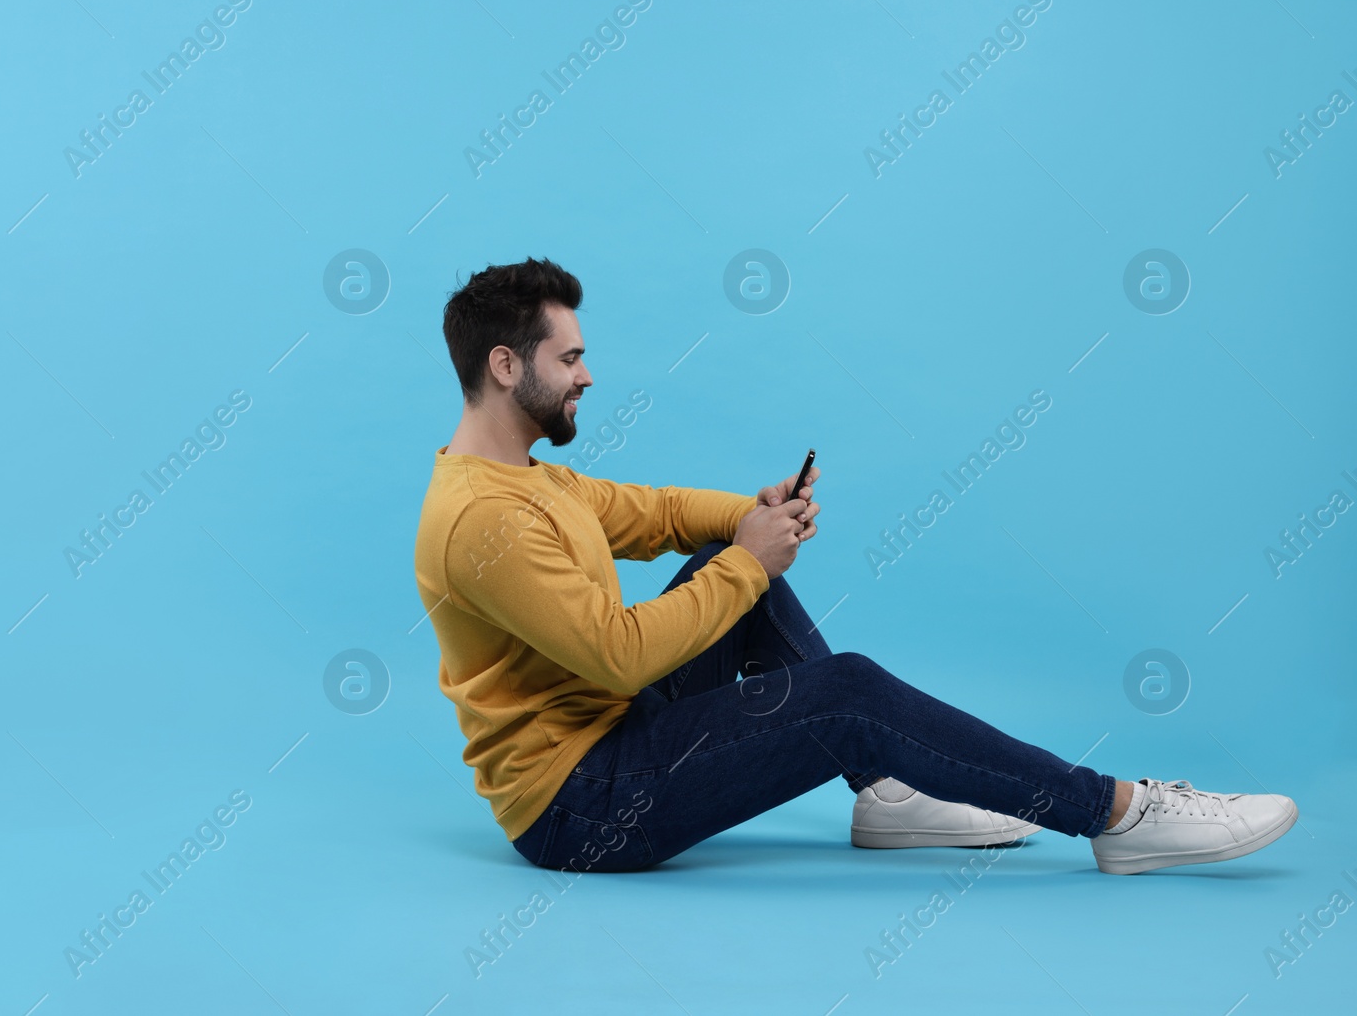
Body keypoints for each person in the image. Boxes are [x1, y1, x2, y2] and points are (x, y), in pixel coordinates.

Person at [412, 257, 1298, 876]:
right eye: (569, 358)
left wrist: (749, 520)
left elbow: (651, 513)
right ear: (504, 365)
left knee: (730, 563)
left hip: (618, 735)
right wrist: (750, 566)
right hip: (583, 807)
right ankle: (1120, 813)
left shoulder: (530, 477)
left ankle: (888, 796)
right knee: (849, 693)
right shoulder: (478, 521)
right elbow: (615, 654)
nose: (588, 375)